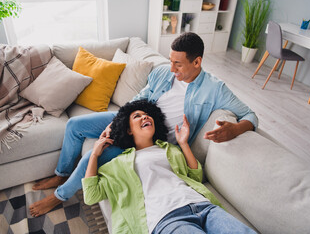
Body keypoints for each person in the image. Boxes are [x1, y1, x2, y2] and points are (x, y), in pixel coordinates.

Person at [29, 32, 258, 217]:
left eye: (178, 64)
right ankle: (62, 173)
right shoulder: (162, 73)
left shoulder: (215, 89)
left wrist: (236, 128)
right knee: (74, 125)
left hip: (149, 139)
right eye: (170, 61)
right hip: (133, 118)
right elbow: (139, 99)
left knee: (92, 158)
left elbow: (250, 114)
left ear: (197, 62)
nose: (171, 69)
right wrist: (118, 121)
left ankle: (58, 196)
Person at [82, 100, 256, 234]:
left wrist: (183, 143)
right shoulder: (119, 164)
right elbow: (91, 195)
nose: (145, 116)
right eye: (137, 116)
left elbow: (195, 176)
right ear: (128, 130)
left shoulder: (170, 149)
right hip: (167, 218)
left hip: (203, 206)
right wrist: (95, 155)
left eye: (147, 115)